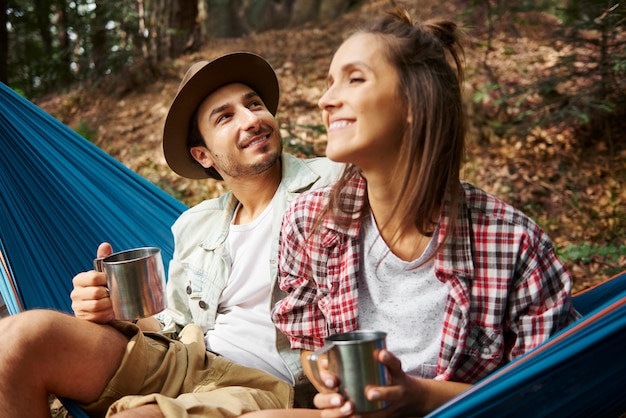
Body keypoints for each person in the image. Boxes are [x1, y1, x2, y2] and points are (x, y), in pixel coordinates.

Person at [243, 7, 581, 418]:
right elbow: (311, 345)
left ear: (414, 103)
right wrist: (337, 385)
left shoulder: (513, 245)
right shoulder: (306, 223)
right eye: (329, 83)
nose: (326, 99)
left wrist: (418, 399)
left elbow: (545, 393)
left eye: (354, 78)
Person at [0, 52, 342, 417]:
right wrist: (115, 308)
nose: (252, 119)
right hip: (188, 358)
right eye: (226, 117)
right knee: (17, 340)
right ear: (203, 155)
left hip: (263, 384)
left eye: (255, 105)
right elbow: (173, 325)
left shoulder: (337, 184)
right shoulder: (196, 225)